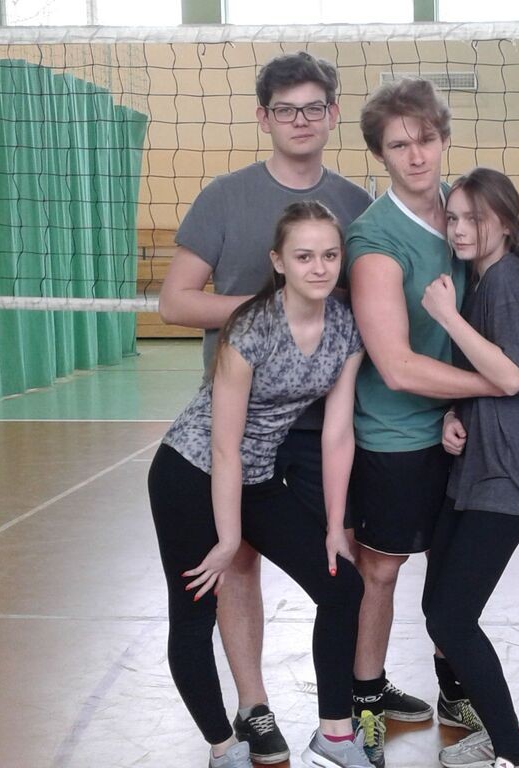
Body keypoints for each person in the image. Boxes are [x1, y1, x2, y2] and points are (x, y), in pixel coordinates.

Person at [156, 51, 373, 764]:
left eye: (314, 107)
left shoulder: (355, 208)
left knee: (341, 580)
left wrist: (334, 526)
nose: (301, 120)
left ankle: (337, 727)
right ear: (264, 117)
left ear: (332, 114)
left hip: (280, 451)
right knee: (211, 590)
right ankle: (234, 732)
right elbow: (176, 304)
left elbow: (339, 428)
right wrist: (270, 313)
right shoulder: (228, 210)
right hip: (204, 458)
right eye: (286, 109)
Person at [345, 77, 506, 767]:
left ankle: (453, 692)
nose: (416, 156)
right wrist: (496, 384)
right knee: (380, 575)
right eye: (398, 145)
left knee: (452, 574)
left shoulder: (464, 212)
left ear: (444, 138)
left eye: (427, 139)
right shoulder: (374, 238)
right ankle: (366, 705)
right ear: (380, 154)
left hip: (457, 429)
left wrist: (471, 402)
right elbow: (397, 365)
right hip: (395, 437)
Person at [421, 168, 519, 768]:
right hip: (474, 467)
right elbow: (487, 374)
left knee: (451, 617)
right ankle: (506, 732)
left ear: (504, 222)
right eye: (453, 217)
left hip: (507, 474)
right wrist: (456, 412)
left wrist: (446, 316)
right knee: (438, 608)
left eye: (474, 218)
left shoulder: (504, 281)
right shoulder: (480, 279)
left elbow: (516, 375)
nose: (460, 229)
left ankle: (512, 753)